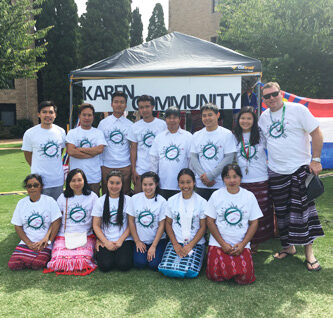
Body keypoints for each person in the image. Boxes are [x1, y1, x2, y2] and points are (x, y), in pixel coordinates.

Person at [258, 82, 324, 271]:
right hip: (276, 171)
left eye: (274, 94)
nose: (271, 98)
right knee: (282, 213)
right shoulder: (263, 117)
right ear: (263, 100)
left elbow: (317, 134)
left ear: (281, 94)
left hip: (299, 170)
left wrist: (316, 160)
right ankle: (288, 247)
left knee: (304, 213)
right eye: (267, 96)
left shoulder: (298, 110)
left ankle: (309, 254)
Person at [205, 164, 263, 284]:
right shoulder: (216, 195)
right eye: (227, 177)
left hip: (240, 243)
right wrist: (223, 244)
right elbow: (210, 221)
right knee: (214, 275)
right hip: (218, 243)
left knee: (246, 278)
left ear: (240, 178)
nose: (231, 180)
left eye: (235, 176)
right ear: (223, 179)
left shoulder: (249, 196)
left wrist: (242, 244)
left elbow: (254, 222)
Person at [233, 106, 274, 253]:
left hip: (260, 179)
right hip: (242, 182)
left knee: (260, 213)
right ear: (238, 120)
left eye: (249, 118)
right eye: (242, 118)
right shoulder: (234, 136)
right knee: (244, 213)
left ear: (254, 120)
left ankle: (256, 243)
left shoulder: (261, 135)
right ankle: (245, 241)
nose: (245, 121)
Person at [44, 169, 98, 276]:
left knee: (83, 262)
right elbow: (56, 219)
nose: (77, 183)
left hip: (86, 235)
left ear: (84, 181)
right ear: (68, 182)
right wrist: (48, 236)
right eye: (73, 180)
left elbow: (97, 219)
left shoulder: (93, 197)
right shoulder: (63, 197)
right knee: (58, 262)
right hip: (64, 235)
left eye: (79, 180)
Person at [158, 168, 207, 278]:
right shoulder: (171, 201)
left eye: (188, 182)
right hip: (177, 242)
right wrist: (175, 244)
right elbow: (168, 224)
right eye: (182, 182)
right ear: (178, 184)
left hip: (195, 243)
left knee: (190, 272)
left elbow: (203, 227)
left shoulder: (202, 202)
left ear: (194, 183)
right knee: (166, 268)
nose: (185, 186)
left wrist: (190, 245)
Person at [8, 174, 62, 270]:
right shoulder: (21, 203)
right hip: (27, 243)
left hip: (44, 243)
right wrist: (28, 243)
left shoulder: (49, 201)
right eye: (29, 186)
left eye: (36, 185)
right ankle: (29, 256)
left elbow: (56, 221)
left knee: (38, 264)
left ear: (41, 187)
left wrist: (48, 240)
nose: (32, 188)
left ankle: (34, 257)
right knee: (13, 264)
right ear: (26, 188)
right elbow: (18, 226)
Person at [190, 103, 236, 200]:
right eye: (204, 115)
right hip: (201, 184)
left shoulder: (227, 134)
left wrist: (211, 175)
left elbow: (229, 157)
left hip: (220, 183)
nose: (207, 118)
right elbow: (193, 157)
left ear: (218, 115)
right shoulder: (196, 135)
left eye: (210, 115)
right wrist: (203, 177)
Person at [22, 101, 66, 200]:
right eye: (44, 112)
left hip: (57, 181)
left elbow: (60, 151)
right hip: (38, 182)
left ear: (55, 115)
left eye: (51, 112)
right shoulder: (30, 133)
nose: (47, 115)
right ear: (39, 114)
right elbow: (28, 155)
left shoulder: (61, 132)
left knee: (57, 211)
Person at [92, 171, 134, 272]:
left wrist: (120, 241)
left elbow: (131, 224)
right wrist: (105, 242)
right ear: (106, 183)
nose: (114, 186)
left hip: (124, 240)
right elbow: (96, 225)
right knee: (105, 266)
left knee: (124, 265)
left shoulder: (128, 200)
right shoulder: (100, 201)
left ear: (122, 184)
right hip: (106, 240)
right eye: (111, 183)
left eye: (117, 183)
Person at [150, 106, 192, 199]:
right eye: (169, 118)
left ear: (179, 119)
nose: (172, 120)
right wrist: (154, 180)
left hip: (183, 185)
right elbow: (154, 161)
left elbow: (191, 161)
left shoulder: (188, 137)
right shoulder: (159, 138)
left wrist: (189, 181)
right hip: (163, 184)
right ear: (165, 119)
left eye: (175, 117)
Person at [127, 172, 167, 270]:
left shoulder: (162, 202)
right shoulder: (135, 199)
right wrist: (137, 241)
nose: (147, 188)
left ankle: (157, 249)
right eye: (145, 184)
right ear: (141, 185)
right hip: (140, 240)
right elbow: (131, 221)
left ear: (156, 184)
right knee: (139, 263)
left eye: (150, 184)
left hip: (157, 240)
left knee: (154, 265)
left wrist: (154, 246)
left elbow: (162, 225)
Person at [128, 95, 167, 194]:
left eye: (147, 106)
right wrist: (133, 170)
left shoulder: (162, 125)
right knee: (139, 199)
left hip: (159, 170)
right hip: (141, 170)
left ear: (152, 107)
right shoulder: (135, 127)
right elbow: (133, 149)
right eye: (141, 107)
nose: (144, 110)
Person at [66, 104, 106, 196]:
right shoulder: (72, 133)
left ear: (93, 116)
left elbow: (100, 149)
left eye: (89, 115)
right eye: (84, 115)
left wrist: (80, 149)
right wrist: (92, 153)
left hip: (93, 177)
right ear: (79, 116)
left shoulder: (98, 133)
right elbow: (71, 151)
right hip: (75, 178)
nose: (86, 118)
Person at [98, 92, 133, 195]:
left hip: (125, 165)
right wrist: (101, 166)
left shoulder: (130, 125)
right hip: (107, 165)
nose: (119, 105)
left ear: (126, 105)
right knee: (106, 194)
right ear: (111, 104)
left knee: (124, 195)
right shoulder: (103, 124)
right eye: (116, 102)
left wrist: (131, 167)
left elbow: (133, 147)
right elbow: (100, 146)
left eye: (122, 102)